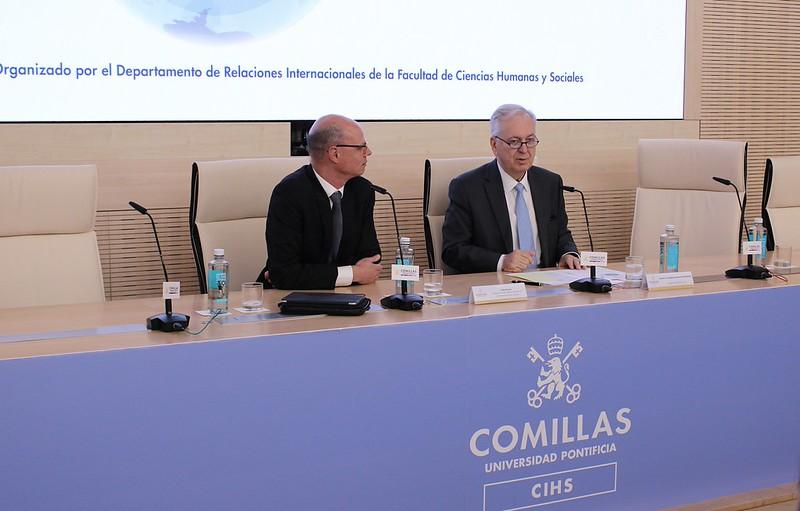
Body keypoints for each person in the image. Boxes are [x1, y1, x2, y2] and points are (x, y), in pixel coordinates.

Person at [442, 104, 580, 273]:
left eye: (530, 140)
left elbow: (561, 234)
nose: (524, 150)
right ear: (494, 145)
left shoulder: (550, 183)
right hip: (497, 287)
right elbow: (453, 250)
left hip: (547, 284)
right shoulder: (467, 188)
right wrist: (502, 261)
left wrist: (568, 253)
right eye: (514, 142)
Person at [257, 114, 382, 289]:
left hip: (345, 296)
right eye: (361, 147)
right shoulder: (290, 193)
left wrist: (316, 274)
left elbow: (371, 259)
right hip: (287, 300)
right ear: (335, 153)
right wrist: (353, 273)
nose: (368, 152)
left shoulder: (362, 190)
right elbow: (284, 274)